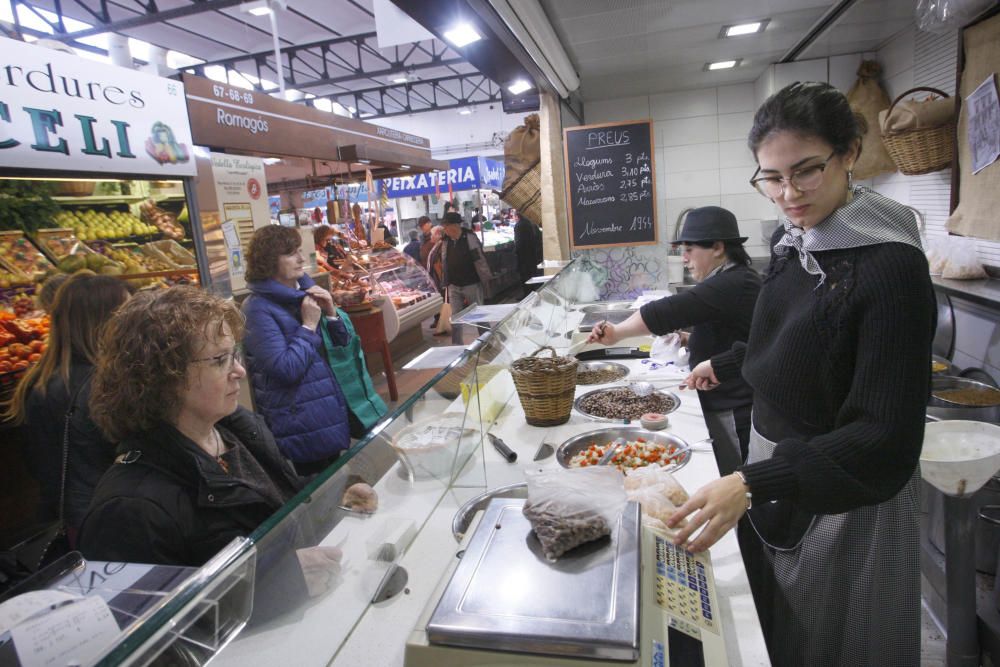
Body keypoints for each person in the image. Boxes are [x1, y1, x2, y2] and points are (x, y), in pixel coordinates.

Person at [667, 82, 935, 666]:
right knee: (784, 634)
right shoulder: (799, 241)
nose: (788, 193)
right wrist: (729, 362)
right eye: (771, 177)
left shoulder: (888, 265)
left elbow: (886, 436)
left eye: (806, 171)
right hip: (778, 472)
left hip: (846, 492)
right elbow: (795, 340)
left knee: (838, 642)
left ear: (851, 153)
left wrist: (752, 483)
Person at [78, 287, 343, 613]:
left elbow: (273, 502)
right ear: (164, 376)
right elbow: (157, 633)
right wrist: (284, 580)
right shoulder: (129, 510)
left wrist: (339, 492)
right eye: (220, 360)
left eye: (235, 354)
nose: (239, 371)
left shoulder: (236, 431)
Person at [588, 207, 761, 475]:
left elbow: (667, 310)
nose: (684, 259)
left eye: (689, 250)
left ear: (716, 247)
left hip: (735, 407)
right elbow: (735, 333)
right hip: (721, 396)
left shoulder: (735, 283)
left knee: (733, 476)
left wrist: (617, 333)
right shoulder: (734, 279)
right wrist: (689, 338)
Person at [3, 273, 130, 546]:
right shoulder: (96, 386)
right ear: (102, 322)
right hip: (100, 519)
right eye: (125, 314)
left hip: (71, 514)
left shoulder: (40, 381)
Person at [241, 225, 352, 475]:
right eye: (291, 253)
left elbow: (341, 344)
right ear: (269, 261)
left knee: (336, 487)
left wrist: (332, 313)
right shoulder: (257, 309)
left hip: (323, 411)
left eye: (300, 250)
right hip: (298, 423)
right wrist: (309, 325)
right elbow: (286, 369)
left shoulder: (302, 295)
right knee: (317, 499)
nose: (302, 258)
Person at [440, 211, 492, 343]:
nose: (444, 229)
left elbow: (480, 259)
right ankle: (457, 345)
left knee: (479, 315)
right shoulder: (446, 241)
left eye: (446, 226)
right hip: (454, 285)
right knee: (456, 318)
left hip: (471, 283)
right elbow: (444, 261)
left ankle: (487, 341)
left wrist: (485, 278)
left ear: (455, 226)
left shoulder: (470, 237)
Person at [514, 215, 543, 297]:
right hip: (533, 255)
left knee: (525, 276)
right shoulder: (532, 224)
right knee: (532, 275)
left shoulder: (519, 225)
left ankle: (527, 295)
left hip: (524, 256)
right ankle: (534, 293)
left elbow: (518, 243)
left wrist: (516, 252)